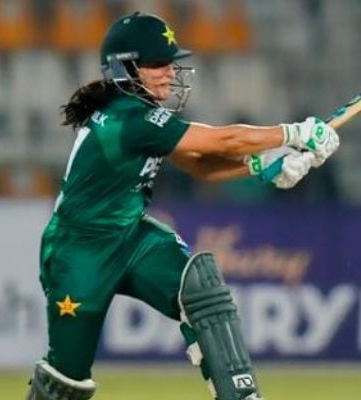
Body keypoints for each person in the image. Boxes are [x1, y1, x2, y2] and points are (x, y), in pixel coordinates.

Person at [26, 12, 339, 400]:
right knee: (66, 380)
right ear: (126, 67)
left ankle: (242, 396)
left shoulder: (136, 113)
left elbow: (199, 166)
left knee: (199, 286)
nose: (170, 72)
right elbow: (221, 142)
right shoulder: (126, 119)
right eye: (158, 63)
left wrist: (260, 165)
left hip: (131, 235)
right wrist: (294, 133)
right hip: (79, 251)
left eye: (171, 62)